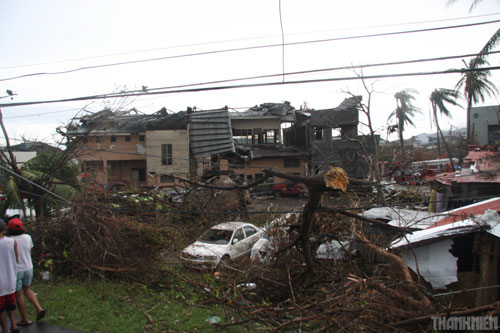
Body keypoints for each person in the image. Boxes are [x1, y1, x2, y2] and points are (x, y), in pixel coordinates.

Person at [7, 218, 46, 326]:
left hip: (17, 270)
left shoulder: (9, 240)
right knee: (27, 289)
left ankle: (25, 319)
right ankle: (39, 308)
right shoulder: (27, 237)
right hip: (28, 267)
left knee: (19, 294)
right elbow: (30, 250)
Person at [0, 219, 20, 333]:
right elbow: (16, 258)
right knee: (11, 305)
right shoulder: (12, 242)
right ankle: (14, 325)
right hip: (11, 278)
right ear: (4, 228)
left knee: (1, 309)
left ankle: (5, 330)